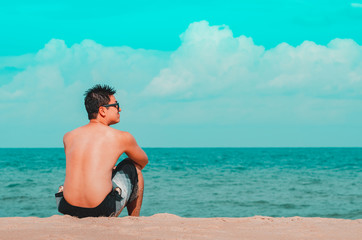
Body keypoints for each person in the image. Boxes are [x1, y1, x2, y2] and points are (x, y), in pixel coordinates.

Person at [55, 84, 148, 218]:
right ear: (102, 111)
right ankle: (134, 220)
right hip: (100, 209)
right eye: (116, 105)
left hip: (66, 207)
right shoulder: (122, 137)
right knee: (133, 167)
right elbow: (143, 161)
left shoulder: (69, 136)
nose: (120, 109)